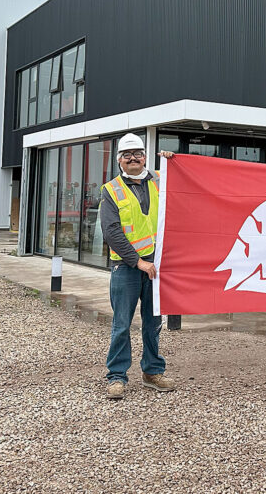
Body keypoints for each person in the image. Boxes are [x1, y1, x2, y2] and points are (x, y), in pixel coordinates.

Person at [101, 133, 176, 400]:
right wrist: (139, 262)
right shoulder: (111, 190)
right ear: (120, 160)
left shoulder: (159, 178)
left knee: (153, 322)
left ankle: (152, 372)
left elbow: (186, 179)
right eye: (127, 155)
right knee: (121, 323)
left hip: (156, 266)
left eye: (138, 154)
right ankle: (117, 376)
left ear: (145, 156)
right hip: (127, 267)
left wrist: (171, 160)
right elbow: (111, 232)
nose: (133, 159)